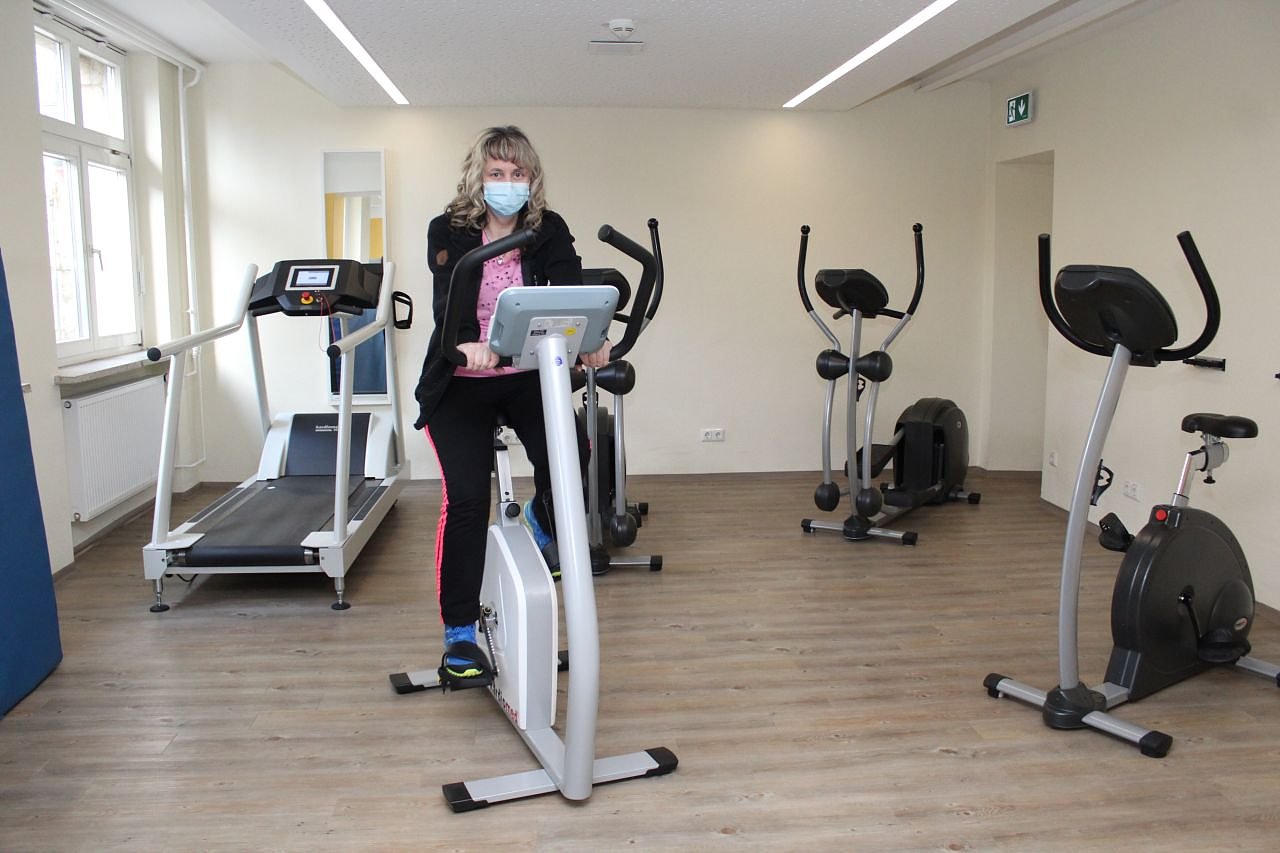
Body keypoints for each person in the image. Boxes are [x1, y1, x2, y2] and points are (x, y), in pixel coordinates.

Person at [413, 125, 610, 688]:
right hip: (461, 380)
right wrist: (468, 345)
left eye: (517, 173)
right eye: (496, 172)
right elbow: (448, 302)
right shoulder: (449, 229)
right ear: (478, 177)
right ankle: (459, 634)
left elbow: (568, 292)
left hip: (528, 375)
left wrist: (590, 337)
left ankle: (540, 524)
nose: (507, 182)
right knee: (467, 500)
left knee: (572, 458)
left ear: (531, 179)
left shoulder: (547, 228)